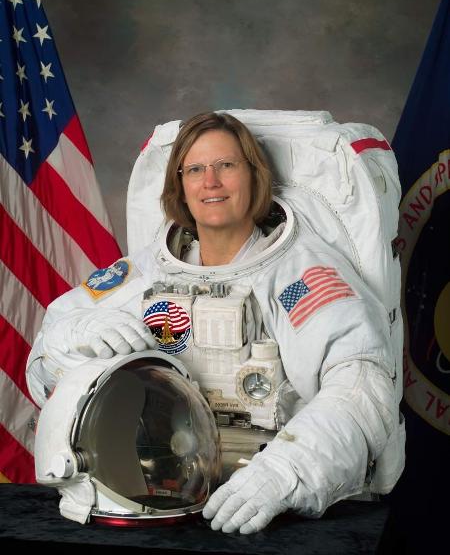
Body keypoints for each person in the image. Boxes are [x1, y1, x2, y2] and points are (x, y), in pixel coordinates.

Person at [26, 111, 404, 534]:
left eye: (226, 165)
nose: (211, 182)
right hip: (161, 498)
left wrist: (288, 471)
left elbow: (363, 385)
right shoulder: (148, 273)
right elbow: (41, 371)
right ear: (180, 186)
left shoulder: (297, 277)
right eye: (195, 170)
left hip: (275, 511)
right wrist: (69, 341)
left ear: (254, 176)